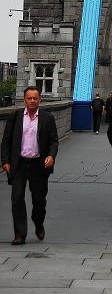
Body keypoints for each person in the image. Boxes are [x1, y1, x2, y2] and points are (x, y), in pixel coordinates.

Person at [1, 86, 59, 245]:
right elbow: (6, 141)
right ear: (24, 100)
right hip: (19, 164)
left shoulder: (47, 118)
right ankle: (20, 235)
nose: (32, 101)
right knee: (17, 198)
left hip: (38, 165)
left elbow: (53, 140)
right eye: (29, 98)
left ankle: (38, 222)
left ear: (39, 99)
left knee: (39, 201)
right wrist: (5, 161)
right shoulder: (15, 117)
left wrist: (51, 156)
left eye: (35, 98)